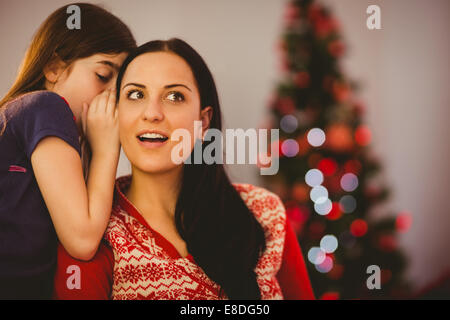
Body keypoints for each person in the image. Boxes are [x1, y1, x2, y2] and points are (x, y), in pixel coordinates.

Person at [54, 38, 315, 300]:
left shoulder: (264, 212)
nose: (152, 113)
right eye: (136, 94)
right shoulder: (93, 234)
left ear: (203, 121)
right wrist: (103, 152)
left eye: (174, 96)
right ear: (115, 112)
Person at [0, 3, 136, 299]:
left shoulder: (27, 116)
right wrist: (105, 150)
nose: (113, 95)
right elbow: (84, 240)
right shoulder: (47, 106)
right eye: (103, 75)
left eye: (123, 86)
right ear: (54, 68)